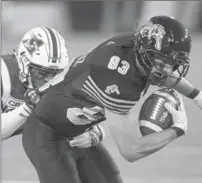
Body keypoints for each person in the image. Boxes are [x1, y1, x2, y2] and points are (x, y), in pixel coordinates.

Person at [22, 16, 202, 182]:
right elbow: (131, 151)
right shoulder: (117, 82)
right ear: (145, 54)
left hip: (79, 133)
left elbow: (159, 69)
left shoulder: (136, 46)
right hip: (46, 132)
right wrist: (177, 129)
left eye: (173, 64)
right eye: (162, 62)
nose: (167, 71)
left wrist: (200, 98)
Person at [1, 27, 123, 183]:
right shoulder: (3, 75)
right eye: (41, 73)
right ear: (24, 63)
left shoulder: (67, 78)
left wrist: (95, 133)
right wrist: (26, 108)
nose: (49, 80)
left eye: (55, 73)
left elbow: (86, 118)